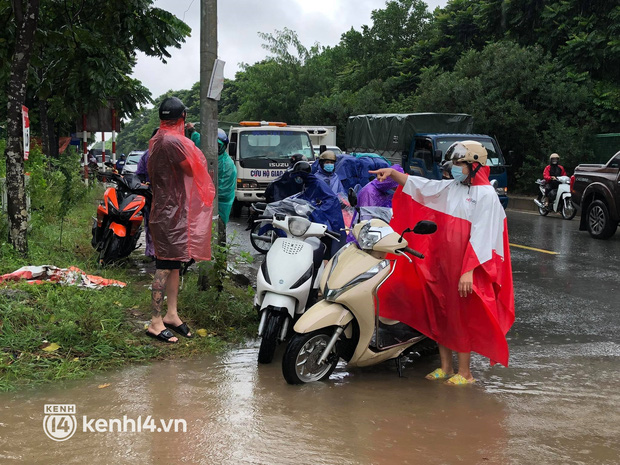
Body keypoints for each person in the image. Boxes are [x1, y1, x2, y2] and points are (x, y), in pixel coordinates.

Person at [370, 140, 514, 385]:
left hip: (467, 267)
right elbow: (424, 187)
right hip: (443, 263)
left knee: (462, 317)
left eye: (460, 164)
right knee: (441, 313)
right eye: (454, 164)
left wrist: (468, 270)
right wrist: (395, 174)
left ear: (475, 164)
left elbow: (483, 235)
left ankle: (465, 373)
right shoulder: (453, 188)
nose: (455, 168)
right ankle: (446, 367)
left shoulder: (486, 195)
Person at [146, 97, 215, 343]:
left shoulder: (158, 139)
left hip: (169, 212)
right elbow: (191, 169)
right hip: (169, 215)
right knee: (164, 267)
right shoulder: (172, 141)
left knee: (174, 264)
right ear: (183, 117)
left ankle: (171, 314)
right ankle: (155, 322)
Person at [216, 128, 237, 224]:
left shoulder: (226, 164)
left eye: (217, 146)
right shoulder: (212, 159)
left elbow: (223, 191)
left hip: (220, 204)